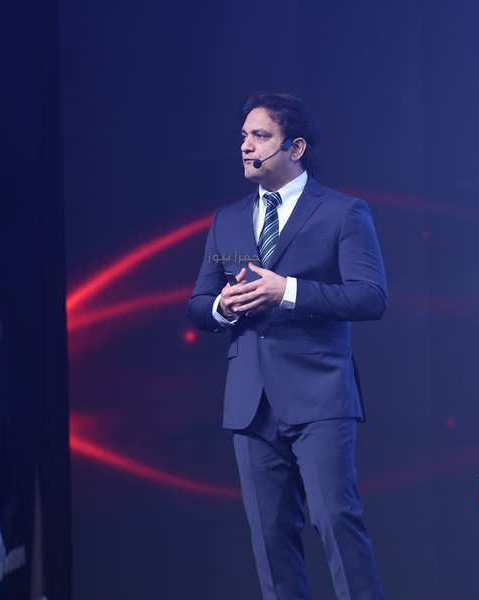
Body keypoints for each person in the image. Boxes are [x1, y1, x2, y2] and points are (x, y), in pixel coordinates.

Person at [187, 91, 387, 599]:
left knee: (336, 521)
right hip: (251, 400)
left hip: (319, 393)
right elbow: (199, 303)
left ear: (295, 147)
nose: (246, 147)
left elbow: (370, 297)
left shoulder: (342, 212)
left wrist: (288, 291)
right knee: (270, 538)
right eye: (243, 137)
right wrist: (223, 306)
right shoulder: (228, 220)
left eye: (260, 136)